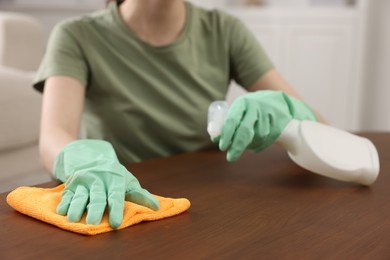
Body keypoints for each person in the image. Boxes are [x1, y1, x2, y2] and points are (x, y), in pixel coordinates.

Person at [33, 0, 322, 229]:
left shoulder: (224, 30)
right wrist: (84, 162)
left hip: (211, 207)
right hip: (127, 202)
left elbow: (320, 127)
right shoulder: (77, 35)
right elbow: (54, 135)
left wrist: (288, 110)